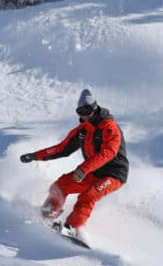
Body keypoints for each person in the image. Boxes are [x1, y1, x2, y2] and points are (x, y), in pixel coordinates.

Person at [20, 89, 129, 237]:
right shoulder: (82, 130)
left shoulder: (109, 127)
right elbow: (61, 149)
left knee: (88, 196)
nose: (84, 116)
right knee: (61, 185)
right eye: (80, 112)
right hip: (93, 171)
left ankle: (72, 228)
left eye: (87, 111)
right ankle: (48, 213)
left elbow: (108, 153)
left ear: (95, 108)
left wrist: (83, 169)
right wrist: (35, 155)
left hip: (113, 174)